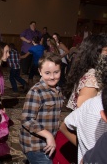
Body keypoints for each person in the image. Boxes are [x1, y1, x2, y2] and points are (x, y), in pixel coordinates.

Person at [53, 34, 107, 164]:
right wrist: (92, 151)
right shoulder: (93, 78)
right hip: (81, 138)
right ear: (95, 53)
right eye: (106, 52)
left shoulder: (95, 74)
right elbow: (84, 117)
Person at [19, 52, 63, 164]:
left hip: (48, 144)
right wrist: (48, 135)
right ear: (40, 72)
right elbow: (26, 119)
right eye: (47, 73)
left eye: (56, 72)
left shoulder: (57, 90)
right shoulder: (36, 92)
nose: (52, 77)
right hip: (35, 144)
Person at [60, 86, 107, 163]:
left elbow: (64, 126)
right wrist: (83, 147)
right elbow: (64, 126)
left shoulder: (91, 104)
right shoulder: (93, 107)